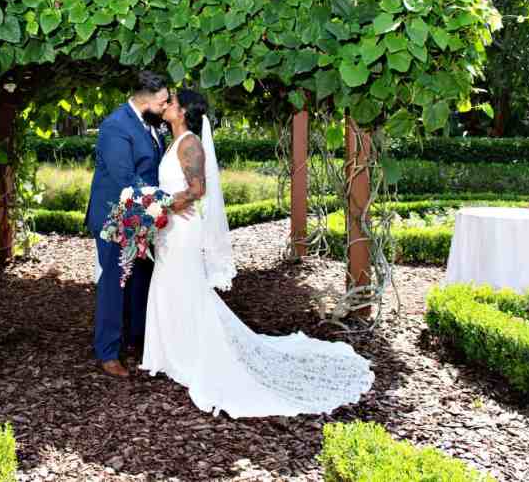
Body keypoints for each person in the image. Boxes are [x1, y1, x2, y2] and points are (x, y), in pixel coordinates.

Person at [140, 89, 374, 417]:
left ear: (184, 112)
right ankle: (170, 353)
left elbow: (198, 189)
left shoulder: (190, 143)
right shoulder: (174, 141)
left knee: (182, 287)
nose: (167, 105)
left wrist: (161, 204)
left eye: (173, 102)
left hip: (183, 231)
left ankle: (189, 354)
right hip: (171, 230)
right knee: (169, 288)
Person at [85, 71, 192, 378]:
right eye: (163, 100)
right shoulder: (115, 127)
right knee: (115, 283)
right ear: (147, 98)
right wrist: (169, 202)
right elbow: (125, 180)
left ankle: (138, 339)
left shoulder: (151, 122)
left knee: (141, 280)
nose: (167, 104)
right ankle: (107, 352)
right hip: (115, 218)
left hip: (144, 216)